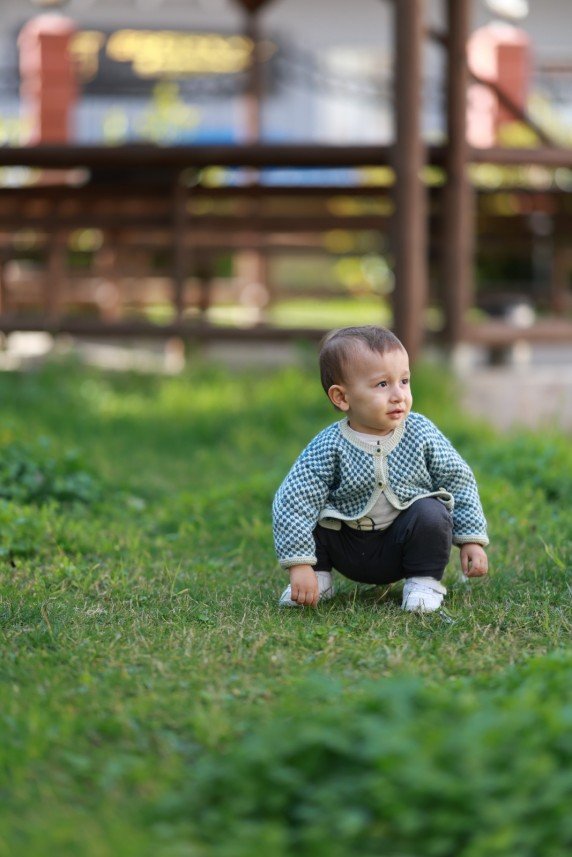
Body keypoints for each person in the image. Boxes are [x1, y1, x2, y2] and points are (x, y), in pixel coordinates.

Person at [272, 325, 489, 612]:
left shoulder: (421, 433)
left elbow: (458, 480)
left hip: (401, 545)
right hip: (346, 545)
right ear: (342, 397)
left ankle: (423, 582)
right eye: (382, 385)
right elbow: (294, 499)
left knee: (432, 512)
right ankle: (318, 577)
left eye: (404, 381)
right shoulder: (329, 445)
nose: (398, 395)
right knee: (312, 509)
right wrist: (300, 564)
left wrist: (471, 539)